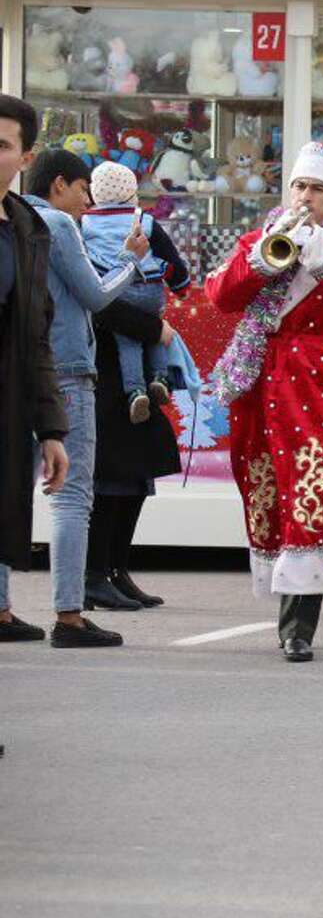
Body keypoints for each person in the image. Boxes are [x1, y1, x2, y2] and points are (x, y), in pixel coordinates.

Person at [206, 142, 323, 661]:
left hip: (320, 382)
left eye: (319, 190)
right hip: (261, 378)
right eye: (300, 187)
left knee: (317, 484)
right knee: (261, 479)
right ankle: (284, 598)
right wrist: (261, 259)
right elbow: (221, 295)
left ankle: (298, 625)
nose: (306, 197)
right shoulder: (261, 235)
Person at [0, 149, 146, 647]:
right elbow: (96, 295)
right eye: (84, 189)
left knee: (9, 489)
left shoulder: (11, 218)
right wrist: (131, 260)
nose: (88, 201)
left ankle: (2, 609)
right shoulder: (57, 224)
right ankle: (69, 615)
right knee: (72, 496)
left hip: (15, 371)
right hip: (63, 372)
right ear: (60, 184)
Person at [80, 164, 190, 611]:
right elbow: (98, 304)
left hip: (135, 372)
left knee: (139, 472)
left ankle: (116, 568)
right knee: (110, 478)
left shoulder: (91, 227)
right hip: (101, 370)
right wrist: (153, 328)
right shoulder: (73, 233)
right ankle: (92, 574)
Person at [0, 99, 81, 646]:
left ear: (25, 157)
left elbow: (37, 339)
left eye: (2, 145)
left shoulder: (29, 229)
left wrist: (51, 430)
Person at [79, 163, 186, 424]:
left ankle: (136, 391)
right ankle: (160, 378)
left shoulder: (85, 222)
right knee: (155, 331)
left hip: (115, 292)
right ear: (131, 192)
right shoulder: (144, 220)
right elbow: (170, 258)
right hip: (149, 289)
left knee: (128, 341)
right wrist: (181, 286)